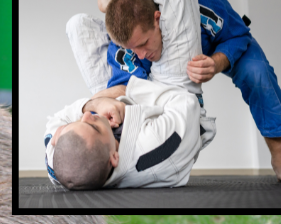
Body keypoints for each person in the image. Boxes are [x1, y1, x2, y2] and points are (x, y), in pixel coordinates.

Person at [84, 0, 281, 184]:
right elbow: (131, 90)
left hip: (219, 45)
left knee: (257, 73)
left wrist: (217, 62)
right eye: (134, 49)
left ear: (157, 19)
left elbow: (239, 34)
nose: (141, 54)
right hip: (163, 69)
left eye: (144, 44)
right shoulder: (125, 45)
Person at [44, 77, 216, 191]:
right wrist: (124, 92)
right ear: (114, 157)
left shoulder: (59, 166)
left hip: (116, 102)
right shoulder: (153, 144)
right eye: (94, 127)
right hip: (171, 100)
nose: (87, 116)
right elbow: (187, 102)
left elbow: (56, 120)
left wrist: (94, 103)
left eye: (77, 123)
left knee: (78, 26)